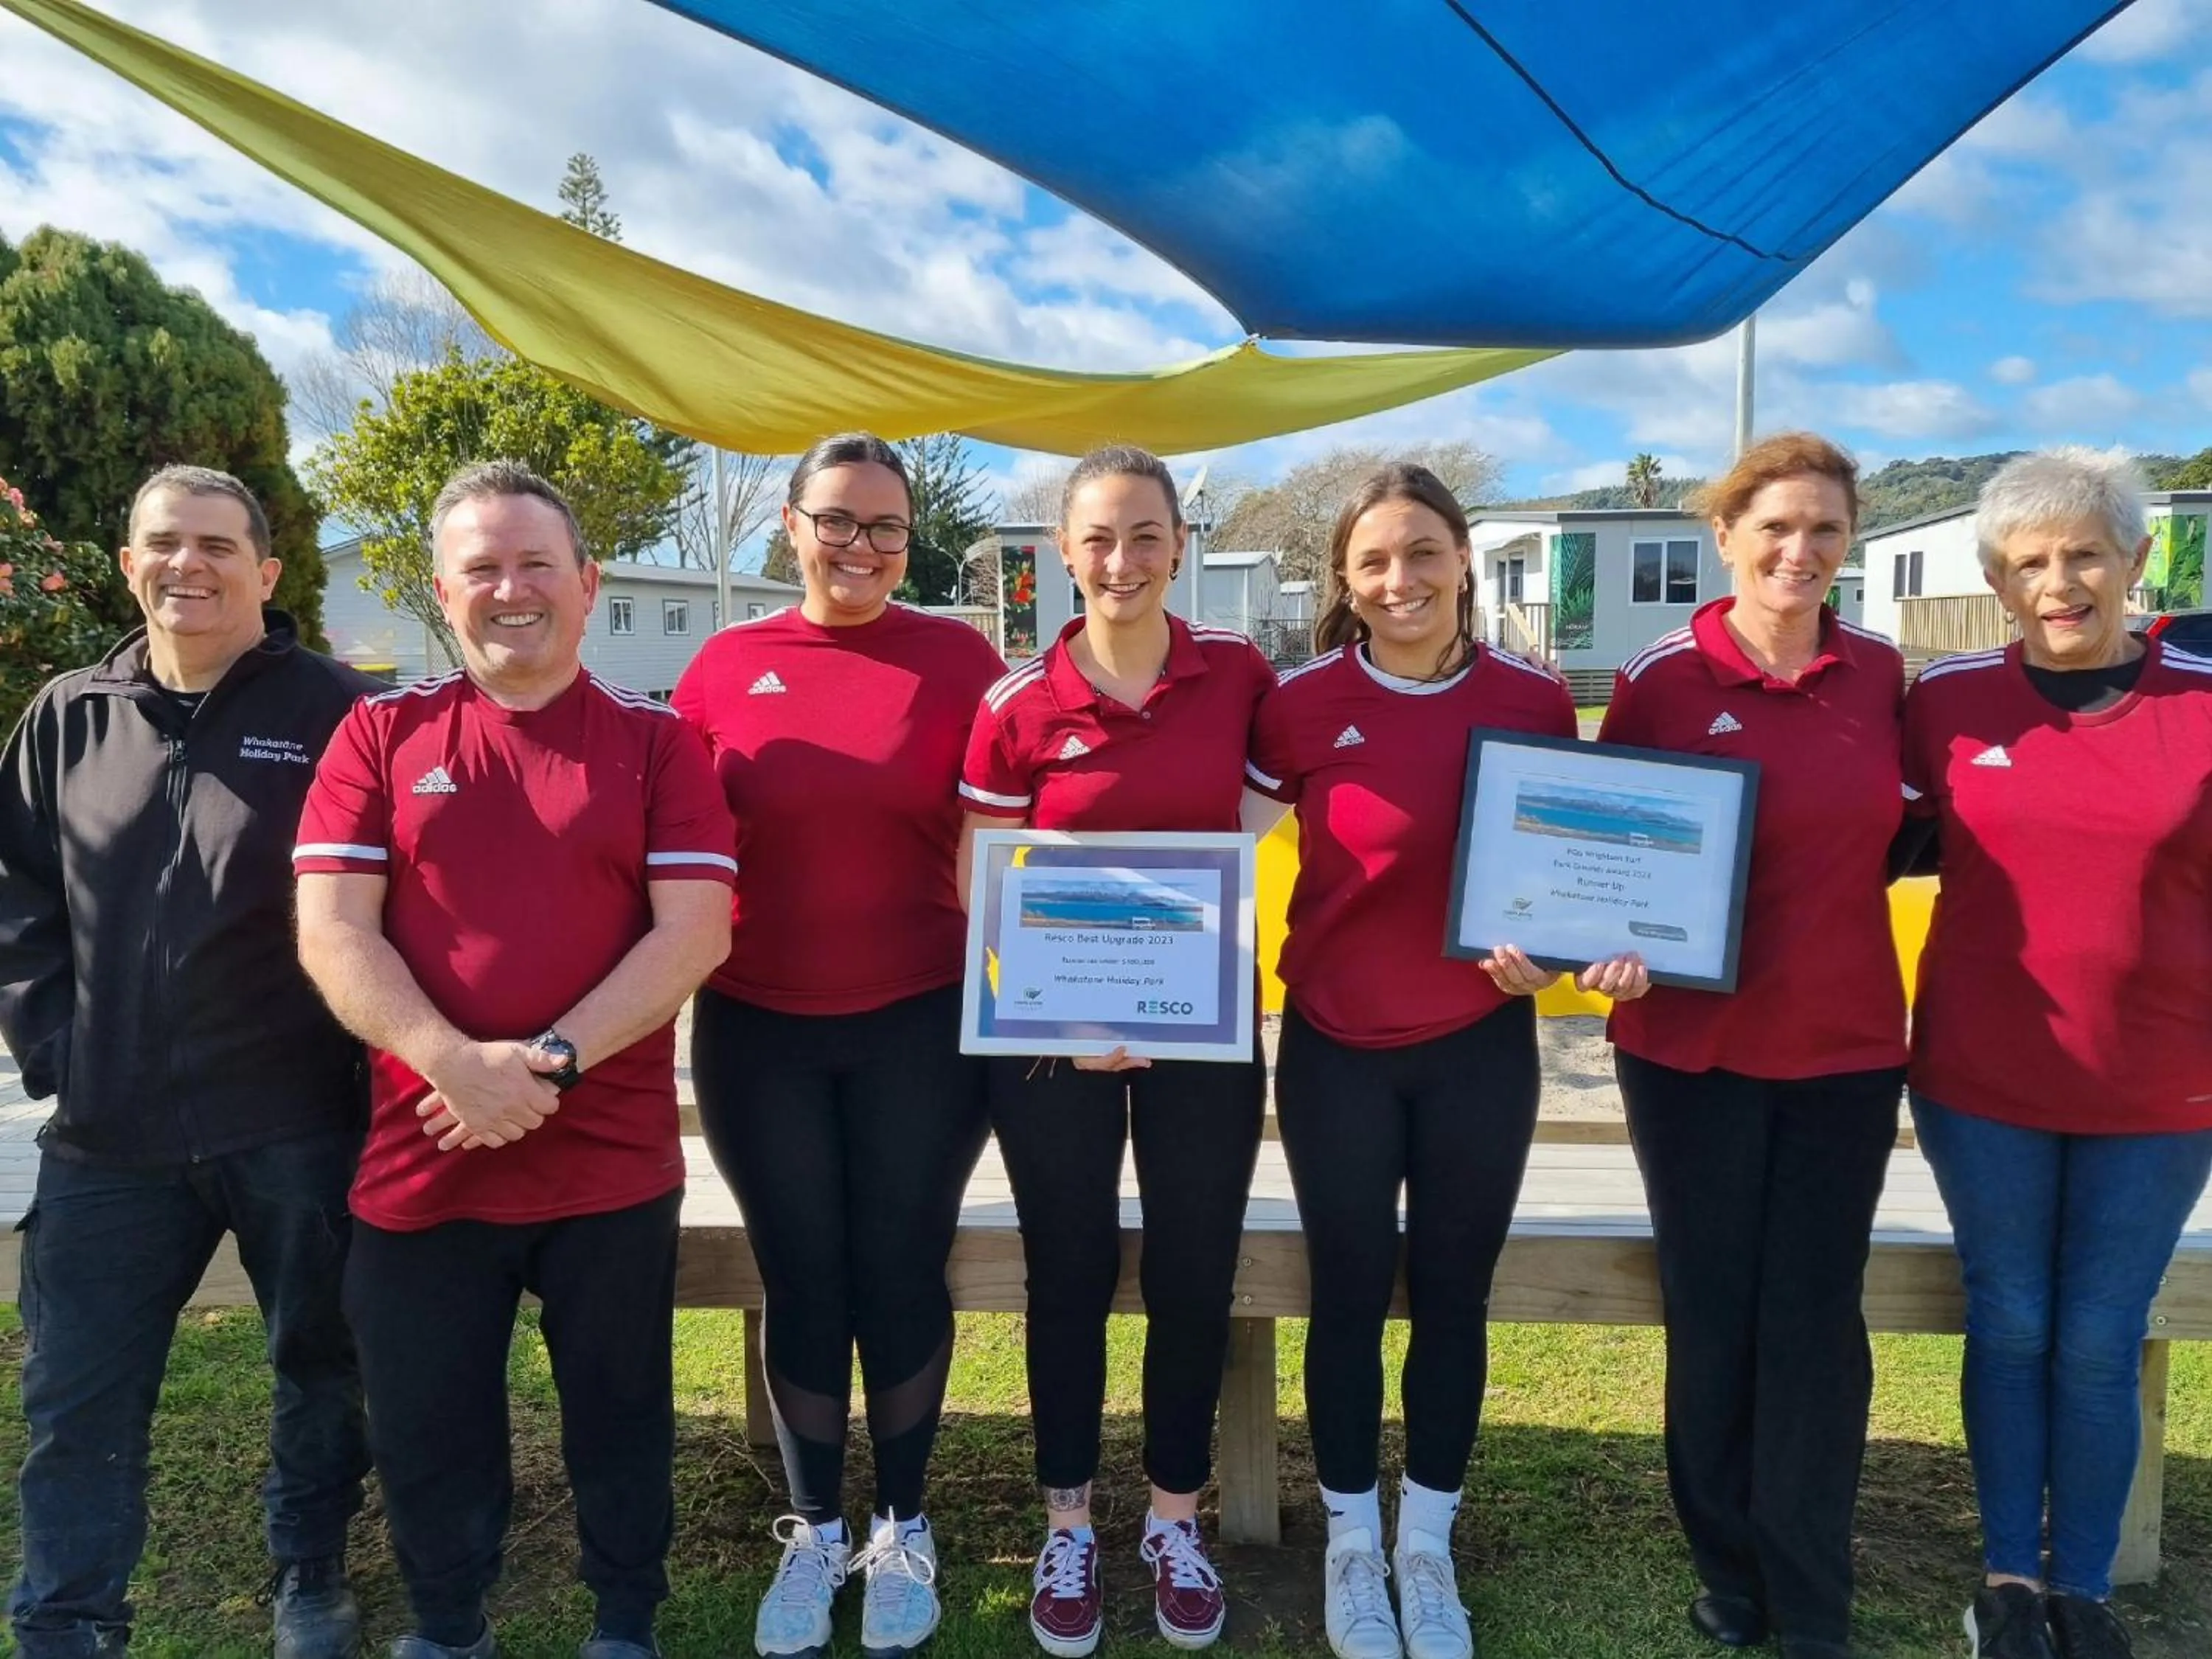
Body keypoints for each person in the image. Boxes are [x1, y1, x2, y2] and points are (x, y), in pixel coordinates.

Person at [293, 462, 736, 1659]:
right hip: (423, 1159)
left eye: (537, 562)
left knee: (622, 1413)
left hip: (606, 1166)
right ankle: (447, 1624)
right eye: (482, 567)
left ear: (588, 585)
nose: (511, 589)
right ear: (444, 592)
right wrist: (451, 1061)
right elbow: (332, 930)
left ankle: (626, 1621)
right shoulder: (380, 733)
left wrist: (539, 1062)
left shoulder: (657, 744)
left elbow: (696, 928)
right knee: (431, 1423)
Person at [1244, 463, 1647, 1659]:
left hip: (1479, 1048)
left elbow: (1585, 869)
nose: (1401, 578)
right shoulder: (1302, 704)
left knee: (1456, 1297)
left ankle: (1427, 1545)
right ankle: (1351, 1545)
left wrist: (1572, 955)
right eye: (1375, 560)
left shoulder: (1531, 701)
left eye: (1423, 552)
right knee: (1352, 1294)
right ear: (1345, 580)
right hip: (1336, 1052)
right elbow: (1215, 850)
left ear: (1464, 558)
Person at [0, 465, 376, 1659]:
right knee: (76, 1396)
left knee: (323, 1363)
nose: (189, 565)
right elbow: (14, 896)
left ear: (266, 571)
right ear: (128, 563)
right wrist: (56, 1043)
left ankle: (309, 1568)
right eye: (165, 543)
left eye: (218, 544)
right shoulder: (68, 715)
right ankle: (68, 1614)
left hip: (297, 1119)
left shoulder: (335, 711)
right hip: (112, 1133)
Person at [670, 434, 1007, 1659]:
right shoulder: (723, 666)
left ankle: (906, 1526)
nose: (861, 547)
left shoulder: (962, 660)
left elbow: (1027, 831)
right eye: (838, 521)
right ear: (791, 526)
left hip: (923, 1021)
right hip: (760, 1029)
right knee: (802, 1273)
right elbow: (673, 846)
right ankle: (816, 1532)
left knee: (901, 1268)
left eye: (886, 528)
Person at [959, 445, 1273, 1655]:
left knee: (1195, 1271)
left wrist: (1176, 971)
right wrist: (1055, 1011)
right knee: (1070, 1274)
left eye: (1146, 535)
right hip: (1051, 1046)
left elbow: (1259, 821)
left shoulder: (1241, 675)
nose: (1123, 560)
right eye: (1099, 538)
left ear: (1180, 546)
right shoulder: (1015, 705)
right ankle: (1071, 1519)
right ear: (1064, 554)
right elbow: (978, 881)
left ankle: (1175, 1518)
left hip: (1202, 1035)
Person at [1598, 433, 1908, 1659]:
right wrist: (1609, 939)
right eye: (1774, 526)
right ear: (1722, 536)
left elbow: (1929, 825)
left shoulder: (1886, 674)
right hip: (1688, 1055)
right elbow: (1601, 857)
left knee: (1819, 1321)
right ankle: (1726, 1563)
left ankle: (1810, 1580)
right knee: (1714, 1312)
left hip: (1842, 1050)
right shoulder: (1661, 680)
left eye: (1825, 528)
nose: (1800, 550)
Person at [1899, 448, 2212, 1659]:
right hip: (1986, 1081)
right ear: (1995, 578)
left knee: (2098, 1334)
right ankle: (2007, 1588)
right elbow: (1844, 842)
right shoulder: (1946, 701)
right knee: (2013, 1318)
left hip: (2161, 1086)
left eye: (2086, 553)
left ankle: (2082, 1588)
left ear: (2137, 563)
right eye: (2029, 562)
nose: (2060, 581)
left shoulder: (2200, 700)